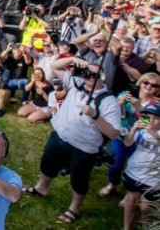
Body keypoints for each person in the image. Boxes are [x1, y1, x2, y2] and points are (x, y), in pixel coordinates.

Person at [24, 59, 121, 223]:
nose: (88, 76)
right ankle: (41, 188)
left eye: (93, 74)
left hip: (84, 147)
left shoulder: (108, 101)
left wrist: (95, 115)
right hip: (60, 135)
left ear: (102, 77)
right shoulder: (76, 84)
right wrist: (73, 60)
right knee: (47, 164)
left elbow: (114, 133)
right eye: (86, 72)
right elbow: (55, 66)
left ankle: (74, 208)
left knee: (79, 178)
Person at [97, 72, 160, 198]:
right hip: (121, 135)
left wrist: (139, 107)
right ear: (140, 82)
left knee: (135, 168)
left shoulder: (156, 104)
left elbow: (151, 121)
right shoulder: (126, 94)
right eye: (146, 82)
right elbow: (112, 113)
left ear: (158, 89)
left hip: (141, 140)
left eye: (154, 85)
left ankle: (130, 194)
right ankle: (112, 185)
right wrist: (119, 103)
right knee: (115, 164)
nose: (149, 86)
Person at [121, 102, 160, 230]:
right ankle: (127, 227)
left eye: (156, 118)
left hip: (153, 178)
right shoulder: (141, 130)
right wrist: (133, 130)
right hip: (134, 172)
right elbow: (127, 143)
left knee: (146, 207)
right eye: (149, 117)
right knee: (131, 201)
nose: (152, 121)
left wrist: (154, 134)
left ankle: (147, 227)